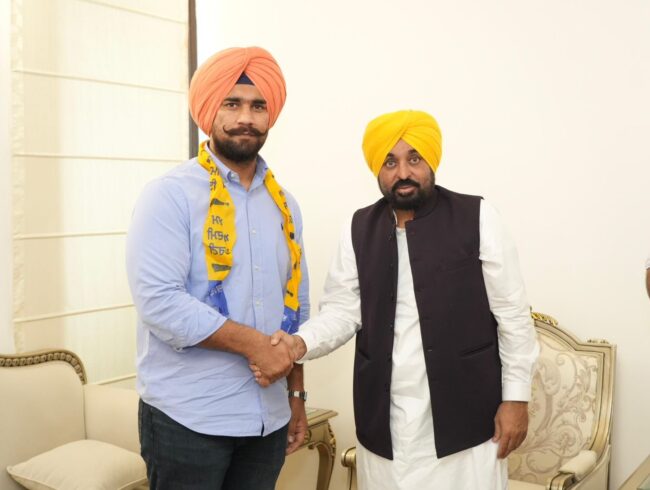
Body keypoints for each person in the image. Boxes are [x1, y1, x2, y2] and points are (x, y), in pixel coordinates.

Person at [256, 110, 540, 489]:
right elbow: (342, 311)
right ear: (377, 168)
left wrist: (516, 399)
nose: (403, 172)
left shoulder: (478, 216)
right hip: (385, 422)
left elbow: (513, 315)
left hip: (466, 418)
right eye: (390, 162)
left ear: (431, 161)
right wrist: (299, 343)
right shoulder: (358, 227)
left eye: (414, 159)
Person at [126, 46, 309, 490]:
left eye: (258, 106)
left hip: (267, 420)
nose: (246, 117)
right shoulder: (169, 195)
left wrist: (296, 394)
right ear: (209, 110)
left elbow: (296, 307)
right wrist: (255, 346)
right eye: (232, 103)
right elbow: (159, 302)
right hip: (189, 418)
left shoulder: (285, 205)